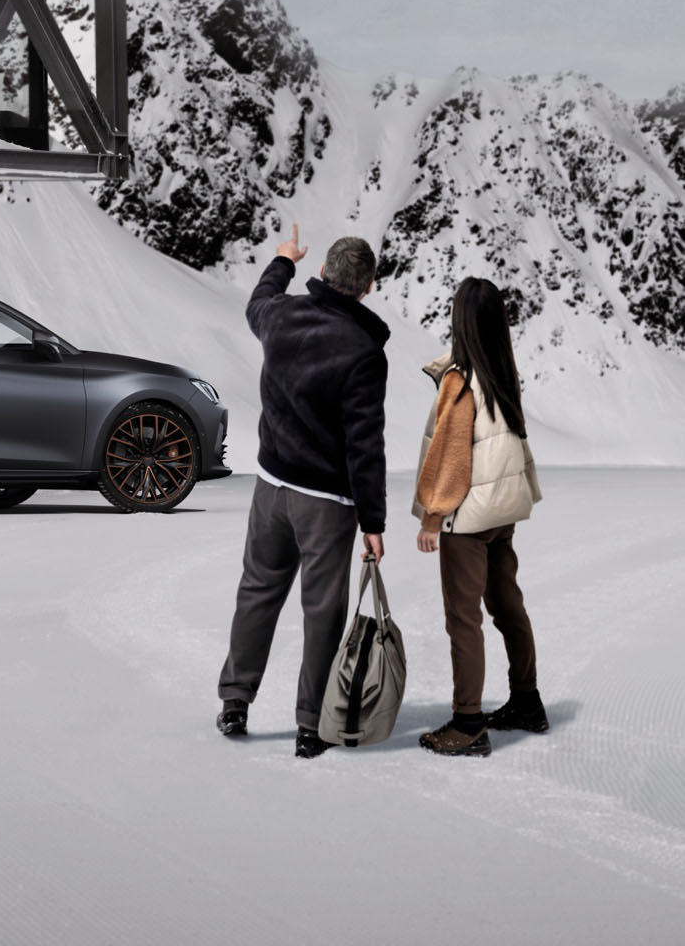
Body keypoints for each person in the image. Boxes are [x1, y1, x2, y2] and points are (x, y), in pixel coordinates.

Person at [217, 225, 389, 758]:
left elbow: (258, 301)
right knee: (322, 611)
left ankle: (234, 702)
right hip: (326, 504)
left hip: (270, 488)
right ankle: (310, 726)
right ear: (368, 288)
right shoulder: (364, 352)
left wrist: (283, 259)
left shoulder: (282, 316)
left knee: (257, 591)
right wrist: (373, 522)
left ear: (321, 274)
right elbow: (364, 445)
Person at [413, 276, 546, 757]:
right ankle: (527, 702)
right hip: (502, 512)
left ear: (460, 320)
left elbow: (450, 454)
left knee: (463, 619)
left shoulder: (461, 379)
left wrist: (432, 517)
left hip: (467, 520)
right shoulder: (501, 372)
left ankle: (467, 724)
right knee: (508, 606)